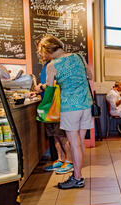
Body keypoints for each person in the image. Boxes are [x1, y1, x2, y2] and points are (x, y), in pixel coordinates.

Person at [38, 35, 93, 189]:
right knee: (80, 142)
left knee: (74, 144)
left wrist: (42, 108)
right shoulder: (78, 56)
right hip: (86, 105)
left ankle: (77, 178)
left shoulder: (52, 65)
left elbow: (49, 91)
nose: (42, 56)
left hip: (70, 107)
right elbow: (90, 76)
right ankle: (77, 174)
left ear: (47, 49)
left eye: (42, 52)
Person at [34, 51, 73, 175]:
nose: (40, 53)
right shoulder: (47, 65)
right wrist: (37, 91)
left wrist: (41, 87)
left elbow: (58, 83)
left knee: (62, 136)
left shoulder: (58, 64)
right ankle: (60, 159)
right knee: (54, 136)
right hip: (48, 106)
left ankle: (70, 161)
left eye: (42, 50)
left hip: (58, 106)